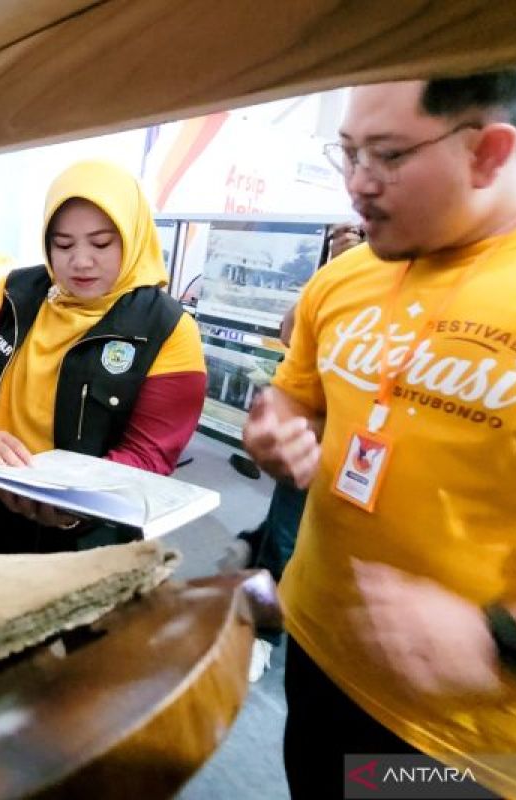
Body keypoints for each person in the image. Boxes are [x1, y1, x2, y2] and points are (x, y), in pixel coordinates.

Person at [242, 69, 516, 798]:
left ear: (490, 152)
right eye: (348, 153)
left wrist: (498, 636)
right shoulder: (342, 280)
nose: (358, 184)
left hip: (467, 741)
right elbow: (296, 397)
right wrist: (277, 431)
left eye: (389, 156)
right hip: (316, 654)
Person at [0, 160, 206, 553]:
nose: (79, 261)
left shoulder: (168, 330)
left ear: (133, 237)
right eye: (62, 244)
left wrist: (76, 502)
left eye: (101, 243)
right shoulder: (10, 293)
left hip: (89, 541)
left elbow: (149, 452)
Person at [222, 221, 365, 682]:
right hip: (318, 439)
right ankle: (263, 635)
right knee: (284, 540)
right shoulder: (349, 272)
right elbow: (290, 334)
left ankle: (251, 545)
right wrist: (337, 264)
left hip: (385, 463)